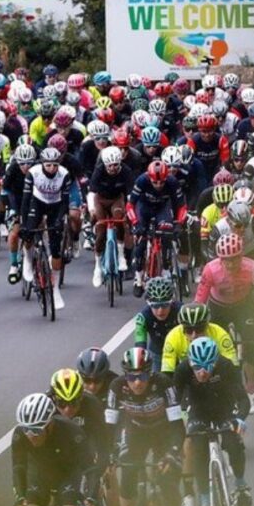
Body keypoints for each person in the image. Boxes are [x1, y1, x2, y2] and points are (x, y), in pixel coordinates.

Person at [107, 347, 185, 506]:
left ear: (150, 373)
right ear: (125, 376)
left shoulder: (164, 384)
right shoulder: (116, 387)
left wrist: (173, 452)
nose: (137, 382)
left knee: (169, 482)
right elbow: (110, 426)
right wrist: (110, 453)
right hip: (136, 432)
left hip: (164, 433)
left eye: (142, 376)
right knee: (127, 473)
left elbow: (177, 425)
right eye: (131, 377)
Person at [193, 233, 254, 414]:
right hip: (217, 307)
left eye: (234, 259)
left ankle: (251, 389)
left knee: (253, 345)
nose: (230, 264)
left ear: (242, 255)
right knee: (211, 346)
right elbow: (199, 303)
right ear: (219, 258)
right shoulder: (210, 270)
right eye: (225, 260)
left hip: (243, 306)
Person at [172, 338, 252, 506]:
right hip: (197, 411)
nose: (202, 372)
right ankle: (205, 499)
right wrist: (180, 422)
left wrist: (239, 419)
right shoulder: (183, 369)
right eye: (197, 367)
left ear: (215, 362)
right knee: (199, 449)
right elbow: (174, 402)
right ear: (190, 363)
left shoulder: (226, 366)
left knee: (234, 443)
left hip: (224, 409)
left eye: (208, 366)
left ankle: (240, 484)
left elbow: (243, 399)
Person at [12, 393, 98, 506]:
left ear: (50, 423)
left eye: (37, 430)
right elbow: (18, 467)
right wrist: (20, 497)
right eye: (26, 429)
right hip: (39, 475)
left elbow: (90, 469)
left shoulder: (72, 431)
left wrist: (91, 497)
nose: (31, 435)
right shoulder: (20, 435)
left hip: (68, 475)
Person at [20, 147, 74, 309]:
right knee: (28, 233)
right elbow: (26, 199)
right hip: (37, 203)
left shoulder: (64, 175)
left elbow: (65, 201)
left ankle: (55, 289)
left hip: (56, 206)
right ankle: (28, 261)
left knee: (56, 248)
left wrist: (59, 220)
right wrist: (24, 224)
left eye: (55, 165)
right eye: (48, 165)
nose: (52, 168)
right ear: (42, 164)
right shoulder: (33, 173)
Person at [125, 160, 187, 294]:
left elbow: (182, 206)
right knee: (141, 241)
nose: (159, 185)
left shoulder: (172, 182)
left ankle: (165, 269)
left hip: (162, 208)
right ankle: (138, 277)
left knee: (167, 235)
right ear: (149, 178)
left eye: (162, 182)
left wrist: (178, 223)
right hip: (144, 208)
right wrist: (135, 223)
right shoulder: (142, 180)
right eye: (155, 182)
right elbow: (130, 205)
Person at [88, 145, 134, 286]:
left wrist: (130, 209)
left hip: (116, 199)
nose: (112, 168)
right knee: (101, 231)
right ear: (105, 164)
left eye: (115, 165)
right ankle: (97, 267)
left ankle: (121, 256)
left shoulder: (126, 171)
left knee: (120, 220)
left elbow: (131, 193)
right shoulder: (99, 170)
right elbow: (91, 192)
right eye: (109, 166)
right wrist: (91, 209)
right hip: (100, 199)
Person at [2, 143, 39, 283]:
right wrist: (12, 210)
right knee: (15, 233)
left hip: (34, 200)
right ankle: (13, 264)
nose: (25, 166)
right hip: (16, 201)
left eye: (29, 163)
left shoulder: (38, 169)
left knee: (36, 228)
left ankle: (31, 255)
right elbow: (5, 192)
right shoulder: (12, 170)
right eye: (22, 163)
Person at [132, 276, 182, 364]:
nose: (160, 310)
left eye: (165, 305)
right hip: (158, 353)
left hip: (180, 352)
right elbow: (140, 347)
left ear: (172, 302)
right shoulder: (143, 317)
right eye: (155, 306)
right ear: (149, 304)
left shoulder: (181, 311)